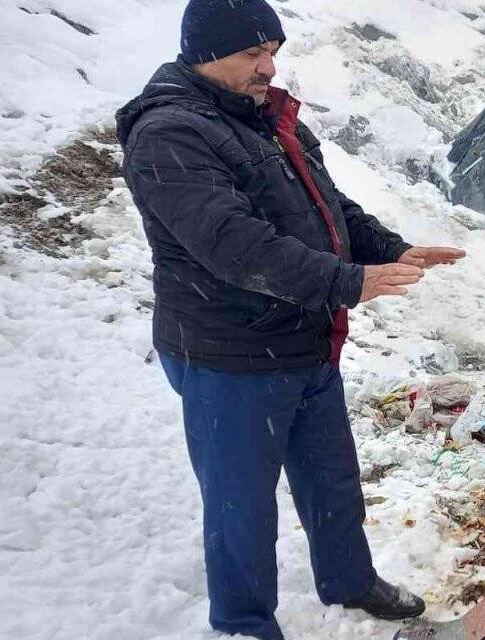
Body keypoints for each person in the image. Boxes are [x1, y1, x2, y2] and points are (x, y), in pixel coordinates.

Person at [115, 1, 464, 638]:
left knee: (333, 479)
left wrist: (390, 249)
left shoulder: (266, 116)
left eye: (273, 50)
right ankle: (244, 622)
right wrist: (347, 282)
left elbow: (326, 204)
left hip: (303, 339)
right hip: (229, 354)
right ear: (203, 52)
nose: (269, 67)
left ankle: (349, 578)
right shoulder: (170, 133)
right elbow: (233, 244)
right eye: (253, 53)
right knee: (240, 504)